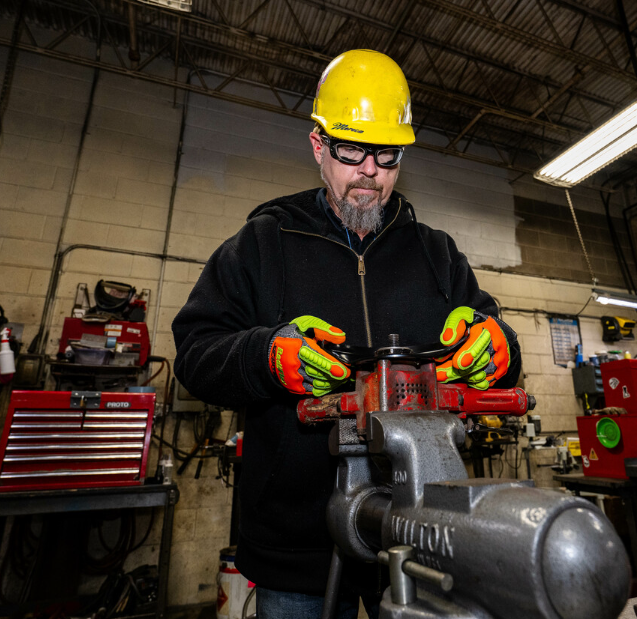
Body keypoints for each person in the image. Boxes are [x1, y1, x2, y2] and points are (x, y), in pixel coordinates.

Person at [173, 49, 522, 618]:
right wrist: (266, 356)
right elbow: (195, 352)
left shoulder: (436, 254)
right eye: (351, 150)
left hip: (422, 538)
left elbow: (496, 340)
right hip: (297, 549)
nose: (369, 171)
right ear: (318, 146)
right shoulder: (264, 243)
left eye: (387, 154)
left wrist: (501, 348)